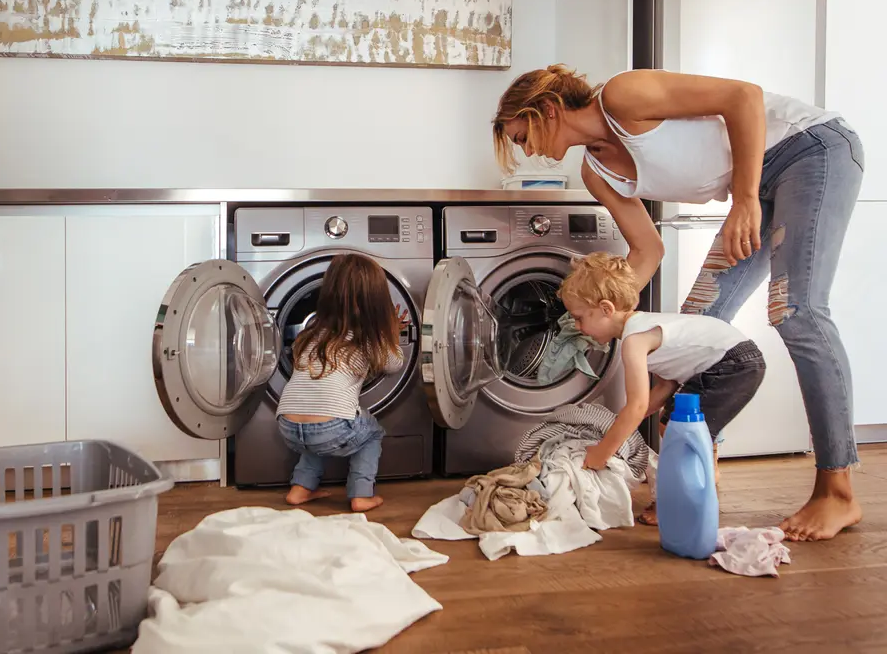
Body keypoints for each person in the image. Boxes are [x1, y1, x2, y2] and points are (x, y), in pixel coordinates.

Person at [491, 64, 865, 541]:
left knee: (796, 312)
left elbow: (744, 96)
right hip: (758, 183)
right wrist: (594, 314)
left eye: (523, 137)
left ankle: (837, 490)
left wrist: (745, 200)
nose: (528, 151)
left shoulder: (623, 96)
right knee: (692, 328)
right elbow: (648, 251)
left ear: (547, 109)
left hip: (809, 149)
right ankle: (699, 470)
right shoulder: (596, 172)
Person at [559, 252, 766, 524]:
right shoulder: (642, 327)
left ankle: (678, 502)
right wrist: (618, 424)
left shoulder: (635, 340)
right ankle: (694, 483)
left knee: (678, 429)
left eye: (579, 318)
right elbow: (665, 386)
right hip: (734, 360)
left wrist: (602, 452)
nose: (577, 327)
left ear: (606, 309)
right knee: (673, 424)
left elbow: (637, 406)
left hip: (731, 364)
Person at [276, 253, 409, 513]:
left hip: (287, 425)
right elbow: (394, 364)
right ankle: (361, 495)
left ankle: (300, 489)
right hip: (331, 428)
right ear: (377, 302)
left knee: (316, 424)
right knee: (372, 433)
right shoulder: (369, 338)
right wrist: (390, 333)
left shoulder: (311, 333)